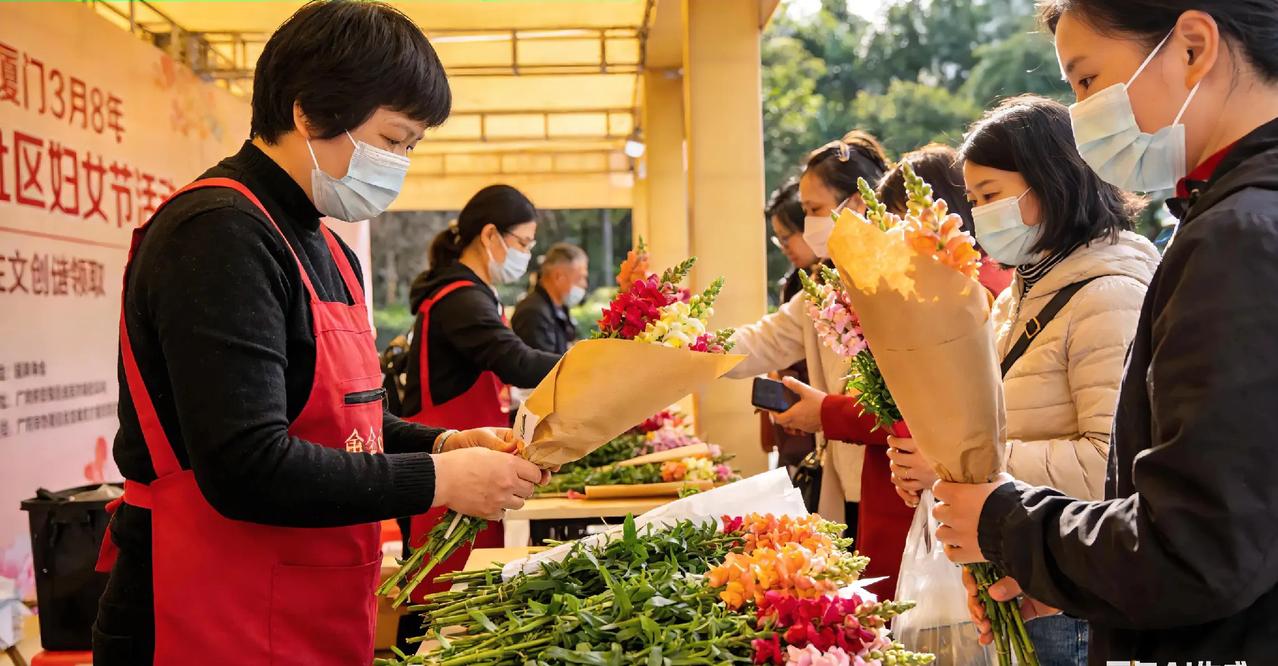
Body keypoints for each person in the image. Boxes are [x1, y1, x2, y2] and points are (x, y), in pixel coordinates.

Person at [91, 4, 548, 665]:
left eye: (411, 147)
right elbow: (247, 466)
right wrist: (438, 478)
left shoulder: (327, 246)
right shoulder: (219, 233)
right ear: (308, 112)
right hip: (206, 607)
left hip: (305, 596)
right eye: (392, 140)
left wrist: (443, 442)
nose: (399, 164)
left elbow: (343, 422)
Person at [933, 2, 1278, 663]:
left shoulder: (1237, 238)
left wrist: (1005, 523)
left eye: (1087, 80)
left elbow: (1197, 547)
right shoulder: (1236, 219)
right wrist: (1074, 577)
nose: (1082, 115)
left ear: (1192, 48)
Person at [772, 145, 1014, 597]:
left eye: (902, 222)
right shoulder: (899, 292)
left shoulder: (979, 293)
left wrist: (828, 413)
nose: (894, 238)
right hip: (897, 492)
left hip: (943, 503)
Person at [400, 184, 561, 599]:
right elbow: (516, 361)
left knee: (466, 585)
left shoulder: (474, 293)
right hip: (449, 462)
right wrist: (590, 365)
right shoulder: (461, 299)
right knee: (443, 594)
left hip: (477, 457)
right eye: (523, 243)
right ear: (490, 235)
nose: (527, 254)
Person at [726, 131, 891, 538]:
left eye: (814, 209)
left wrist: (828, 413)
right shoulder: (823, 286)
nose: (809, 224)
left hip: (894, 480)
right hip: (844, 477)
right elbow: (763, 340)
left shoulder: (900, 278)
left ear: (857, 203)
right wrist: (690, 350)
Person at [758, 180, 819, 480]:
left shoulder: (831, 280)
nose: (784, 247)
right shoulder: (797, 281)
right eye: (778, 239)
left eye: (787, 237)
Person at [512, 242, 588, 355]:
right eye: (580, 278)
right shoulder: (533, 313)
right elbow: (542, 362)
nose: (584, 284)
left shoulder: (559, 308)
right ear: (558, 277)